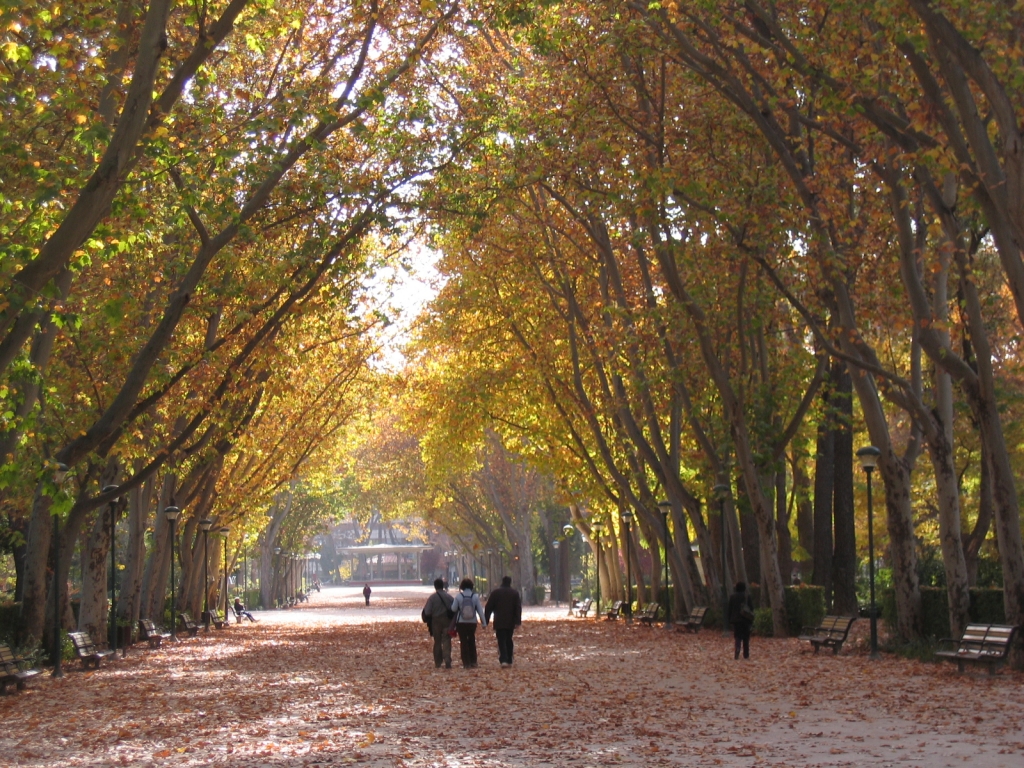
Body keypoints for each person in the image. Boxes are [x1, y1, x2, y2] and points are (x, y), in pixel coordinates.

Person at [484, 576, 522, 668]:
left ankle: (504, 659)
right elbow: (518, 608)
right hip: (510, 621)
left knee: (501, 640)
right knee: (509, 639)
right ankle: (509, 659)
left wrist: (485, 621)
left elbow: (488, 608)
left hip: (499, 621)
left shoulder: (495, 593)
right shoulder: (514, 593)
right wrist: (517, 621)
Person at [450, 577, 486, 669]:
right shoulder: (475, 596)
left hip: (461, 622)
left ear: (462, 586)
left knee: (463, 641)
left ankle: (466, 662)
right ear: (471, 586)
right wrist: (484, 623)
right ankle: (473, 661)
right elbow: (480, 611)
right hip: (472, 622)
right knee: (471, 640)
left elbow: (453, 609)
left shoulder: (459, 597)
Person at [421, 578, 455, 669]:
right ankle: (447, 658)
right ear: (443, 586)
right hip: (447, 621)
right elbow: (455, 608)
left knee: (437, 642)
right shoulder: (449, 597)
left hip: (436, 622)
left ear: (435, 586)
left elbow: (427, 612)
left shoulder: (432, 598)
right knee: (447, 640)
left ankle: (438, 662)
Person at [728, 581, 755, 659]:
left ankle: (737, 648)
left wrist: (730, 619)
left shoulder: (732, 597)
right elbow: (751, 608)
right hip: (746, 619)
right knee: (746, 637)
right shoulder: (747, 596)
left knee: (737, 636)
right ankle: (746, 654)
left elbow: (730, 609)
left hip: (736, 620)